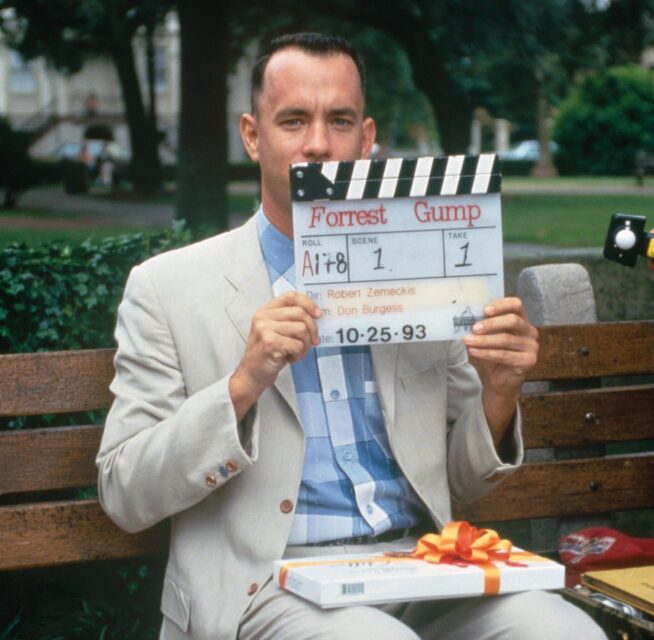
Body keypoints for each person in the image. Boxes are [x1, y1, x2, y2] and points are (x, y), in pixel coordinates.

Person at [97, 33, 606, 640]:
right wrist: (242, 384)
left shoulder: (423, 275)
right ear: (253, 135)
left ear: (365, 140)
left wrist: (498, 395)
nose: (318, 143)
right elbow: (124, 491)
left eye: (338, 121)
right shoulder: (167, 288)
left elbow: (464, 484)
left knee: (566, 632)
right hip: (269, 589)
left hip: (423, 570)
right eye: (293, 120)